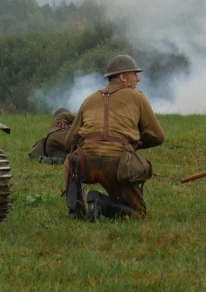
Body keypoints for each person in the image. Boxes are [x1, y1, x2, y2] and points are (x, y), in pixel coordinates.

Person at [64, 54, 164, 221]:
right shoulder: (137, 97)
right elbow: (157, 136)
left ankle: (75, 212)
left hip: (85, 164)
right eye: (134, 74)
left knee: (70, 160)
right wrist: (134, 144)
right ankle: (100, 202)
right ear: (123, 77)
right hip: (117, 165)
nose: (138, 79)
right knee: (138, 214)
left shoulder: (89, 100)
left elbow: (69, 142)